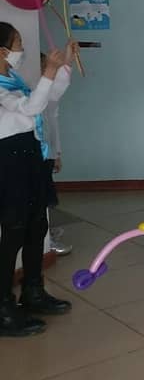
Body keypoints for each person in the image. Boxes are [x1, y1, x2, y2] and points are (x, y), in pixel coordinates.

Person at [0, 25, 77, 337]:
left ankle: (33, 291)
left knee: (37, 226)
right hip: (9, 162)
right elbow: (30, 107)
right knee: (13, 232)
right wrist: (48, 72)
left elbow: (45, 100)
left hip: (31, 157)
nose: (22, 50)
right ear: (2, 51)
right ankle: (3, 307)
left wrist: (63, 65)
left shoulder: (13, 79)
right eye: (18, 44)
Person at [39, 53, 71, 256]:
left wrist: (56, 153)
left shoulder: (48, 95)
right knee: (41, 198)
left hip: (45, 153)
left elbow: (52, 124)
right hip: (34, 155)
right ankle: (46, 241)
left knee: (45, 196)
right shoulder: (33, 94)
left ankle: (47, 236)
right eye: (45, 66)